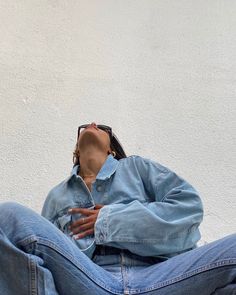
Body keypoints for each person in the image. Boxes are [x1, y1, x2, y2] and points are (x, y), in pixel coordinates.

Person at [0, 122, 235, 295]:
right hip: (88, 280)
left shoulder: (137, 168)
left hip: (163, 276)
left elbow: (188, 209)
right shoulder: (58, 196)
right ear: (76, 151)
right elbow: (42, 261)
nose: (92, 124)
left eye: (102, 127)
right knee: (8, 217)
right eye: (86, 126)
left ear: (111, 148)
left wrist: (109, 220)